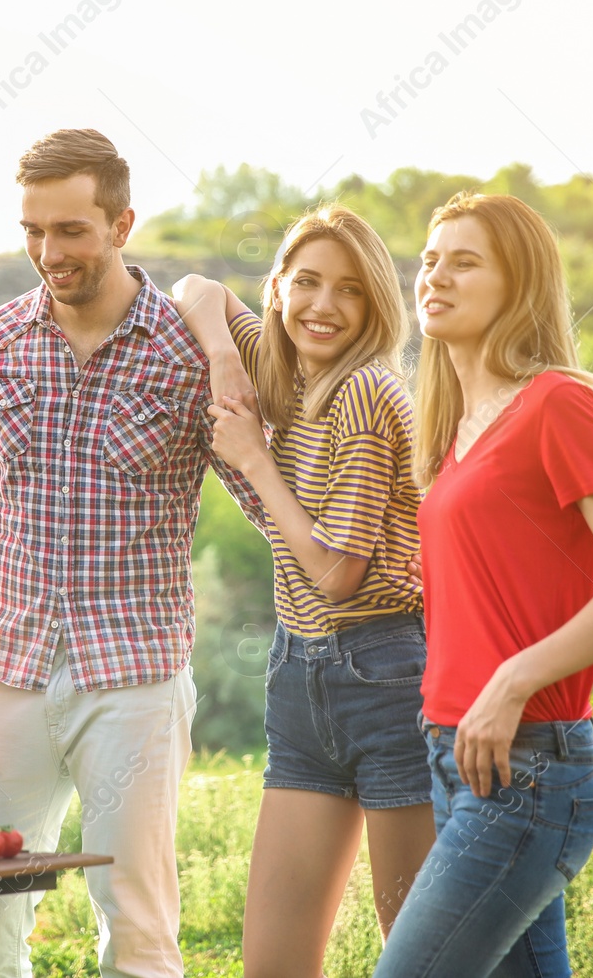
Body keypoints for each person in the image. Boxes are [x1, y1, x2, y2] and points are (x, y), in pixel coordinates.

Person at [0, 128, 257, 978]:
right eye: (34, 229)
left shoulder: (187, 350)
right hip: (4, 669)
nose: (48, 251)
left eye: (71, 229)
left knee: (139, 929)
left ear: (121, 223)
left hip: (136, 678)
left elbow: (261, 492)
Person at [372, 192, 593, 977]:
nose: (434, 276)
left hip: (531, 766)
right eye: (429, 259)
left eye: (464, 261)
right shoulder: (453, 431)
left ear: (519, 284)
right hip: (455, 754)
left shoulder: (556, 402)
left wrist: (512, 679)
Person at [172, 204, 434, 977]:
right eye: (308, 282)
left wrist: (253, 457)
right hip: (299, 674)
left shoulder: (364, 393)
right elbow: (197, 287)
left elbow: (337, 572)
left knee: (418, 954)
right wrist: (224, 355)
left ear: (374, 305)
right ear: (279, 287)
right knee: (273, 965)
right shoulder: (285, 363)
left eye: (349, 290)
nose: (324, 305)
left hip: (385, 673)